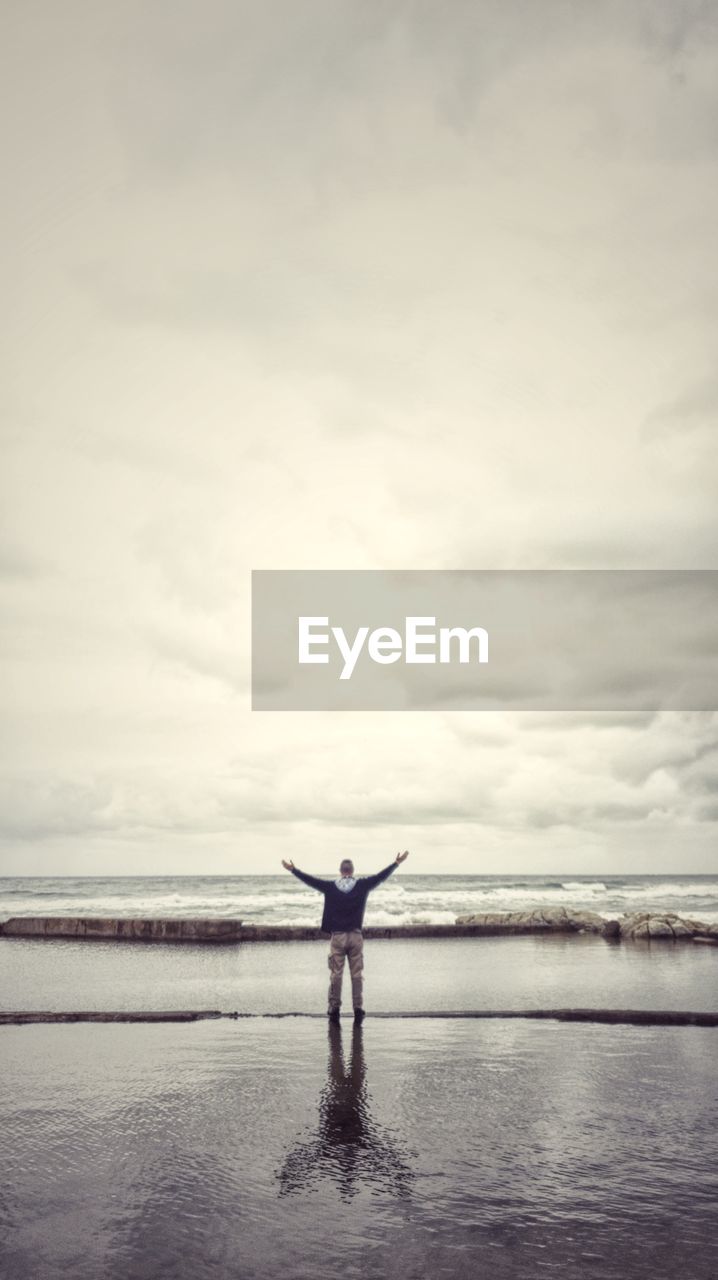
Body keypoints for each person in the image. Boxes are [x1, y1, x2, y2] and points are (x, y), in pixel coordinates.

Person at [281, 850, 410, 1024]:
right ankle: (358, 1008)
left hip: (338, 937)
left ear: (340, 870)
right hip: (356, 936)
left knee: (336, 974)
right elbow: (381, 877)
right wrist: (396, 863)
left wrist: (293, 869)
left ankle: (334, 1008)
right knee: (357, 974)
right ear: (353, 870)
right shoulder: (363, 885)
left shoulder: (330, 886)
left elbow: (311, 881)